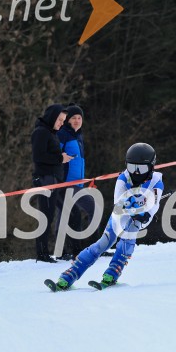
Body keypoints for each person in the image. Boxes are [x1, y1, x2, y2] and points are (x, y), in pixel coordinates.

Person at [49, 143, 164, 291]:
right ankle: (72, 273)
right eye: (131, 167)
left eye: (140, 168)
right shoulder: (123, 178)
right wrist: (130, 204)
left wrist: (144, 213)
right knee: (104, 242)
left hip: (141, 216)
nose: (135, 173)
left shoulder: (156, 182)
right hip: (121, 213)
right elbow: (118, 202)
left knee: (129, 235)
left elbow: (153, 205)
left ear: (151, 166)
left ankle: (112, 273)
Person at [31, 104, 72, 262]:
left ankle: (64, 249)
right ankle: (42, 254)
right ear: (52, 117)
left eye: (63, 120)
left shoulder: (51, 133)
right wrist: (60, 158)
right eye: (60, 120)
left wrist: (61, 158)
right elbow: (39, 157)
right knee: (46, 216)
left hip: (56, 179)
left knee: (66, 210)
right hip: (45, 179)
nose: (62, 123)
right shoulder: (41, 132)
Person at [55, 105, 95, 258]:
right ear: (67, 120)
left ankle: (62, 252)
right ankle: (95, 247)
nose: (77, 121)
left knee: (64, 215)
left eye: (79, 118)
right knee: (92, 208)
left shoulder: (78, 136)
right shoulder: (63, 134)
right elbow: (55, 155)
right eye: (73, 118)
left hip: (77, 183)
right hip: (66, 183)